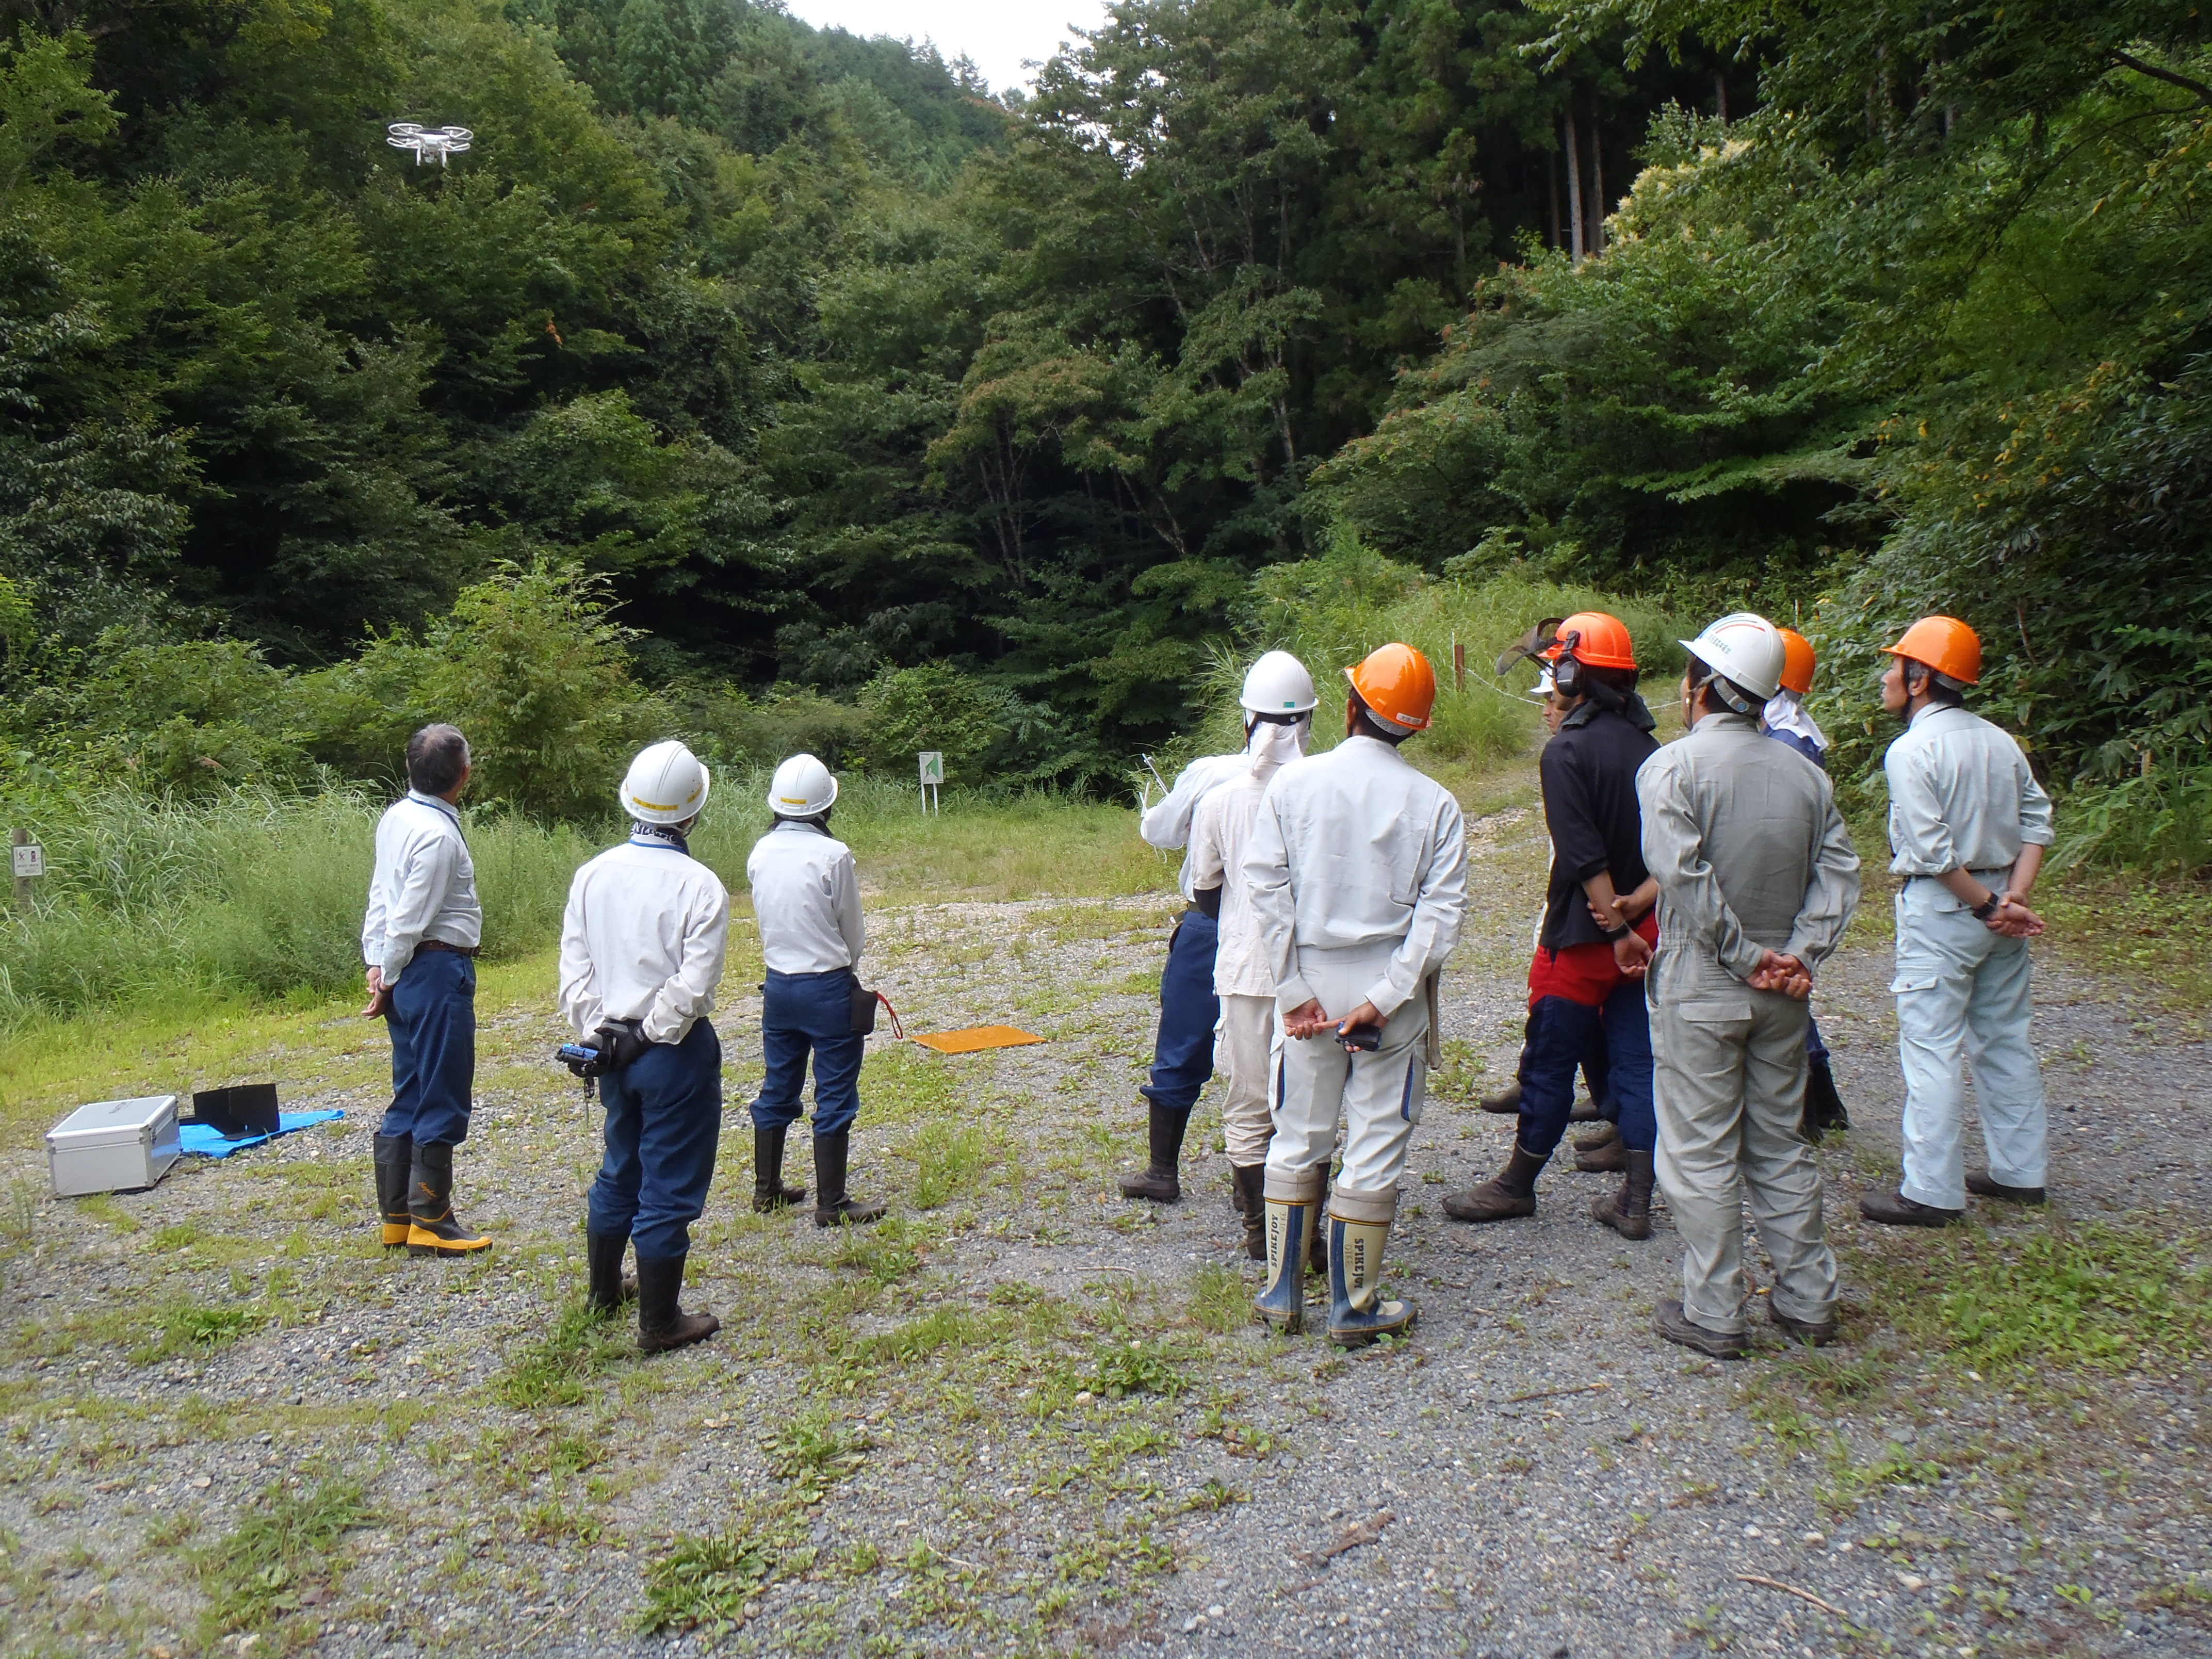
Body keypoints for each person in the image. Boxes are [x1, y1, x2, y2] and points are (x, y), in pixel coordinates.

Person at [1638, 613, 1861, 1359]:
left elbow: (1683, 874)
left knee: (1699, 1149)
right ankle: (1808, 1299)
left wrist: (1740, 954)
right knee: (1780, 1143)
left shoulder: (1671, 769)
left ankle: (1715, 1310)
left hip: (1705, 982)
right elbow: (1840, 874)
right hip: (1784, 993)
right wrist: (1800, 954)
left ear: (1701, 687)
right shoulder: (1807, 775)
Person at [1247, 643, 1468, 1346]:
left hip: (1308, 979)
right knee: (1376, 1141)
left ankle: (1283, 1293)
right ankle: (1355, 1306)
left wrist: (1291, 988)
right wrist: (1391, 992)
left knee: (1298, 1134)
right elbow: (1440, 916)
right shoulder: (1437, 805)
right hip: (1386, 992)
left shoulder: (1292, 786)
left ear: (1350, 708)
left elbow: (1266, 887)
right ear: (1417, 726)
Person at [1443, 612, 1662, 1241]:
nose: (1547, 693)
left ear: (1574, 675)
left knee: (1548, 1061)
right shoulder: (1650, 749)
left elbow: (1580, 850)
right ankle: (1637, 1197)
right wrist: (1634, 915)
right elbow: (1670, 853)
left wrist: (1611, 923)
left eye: (1556, 674)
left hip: (1585, 939)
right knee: (1636, 1063)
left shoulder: (1565, 752)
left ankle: (1516, 1185)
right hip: (1643, 935)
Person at [1860, 616, 2054, 1227]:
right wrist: (2011, 899)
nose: (1887, 676)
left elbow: (1931, 851)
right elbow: (2036, 821)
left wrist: (1988, 906)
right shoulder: (1999, 740)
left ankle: (1930, 1191)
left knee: (1931, 1047)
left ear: (1920, 678)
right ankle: (2020, 1172)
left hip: (1947, 911)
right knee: (2004, 1037)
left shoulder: (1911, 750)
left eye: (1895, 667)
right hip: (1997, 904)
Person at [560, 740, 731, 1352]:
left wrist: (601, 1035)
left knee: (619, 1166)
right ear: (693, 811)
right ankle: (659, 1322)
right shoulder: (703, 886)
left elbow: (575, 972)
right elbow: (693, 984)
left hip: (607, 1049)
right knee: (669, 1180)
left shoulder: (592, 873)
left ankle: (604, 1293)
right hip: (672, 1054)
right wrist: (649, 1035)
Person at [1184, 651, 1318, 1259]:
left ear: (1246, 721)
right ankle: (1305, 1227)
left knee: (1247, 1099)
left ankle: (1258, 1230)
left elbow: (1205, 890)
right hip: (1315, 972)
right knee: (1306, 1102)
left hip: (1243, 968)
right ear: (1310, 724)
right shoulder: (1325, 794)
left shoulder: (1220, 800)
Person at [362, 723, 490, 1259]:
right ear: (464, 774)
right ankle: (431, 1221)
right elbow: (410, 917)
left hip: (407, 968)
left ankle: (398, 1217)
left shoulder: (398, 816)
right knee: (441, 1090)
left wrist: (377, 963)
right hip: (435, 970)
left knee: (411, 1088)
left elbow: (381, 896)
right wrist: (387, 972)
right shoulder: (437, 835)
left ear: (410, 768)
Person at [1117, 723, 1255, 1203]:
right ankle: (1258, 1187)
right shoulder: (1312, 778)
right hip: (1283, 932)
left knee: (1181, 1043)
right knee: (1273, 1053)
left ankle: (1162, 1171)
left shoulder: (1209, 772)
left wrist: (1154, 808)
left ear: (1247, 722)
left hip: (1212, 923)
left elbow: (1160, 831)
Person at [747, 752, 885, 1228]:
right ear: (825, 805)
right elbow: (854, 933)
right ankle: (832, 1202)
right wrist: (847, 970)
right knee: (835, 1092)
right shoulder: (834, 854)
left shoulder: (760, 852)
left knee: (778, 1086)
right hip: (826, 985)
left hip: (778, 987)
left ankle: (768, 1190)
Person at [1763, 627, 1849, 1138]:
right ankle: (1822, 1102)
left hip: (1787, 873)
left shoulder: (1786, 741)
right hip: (1798, 869)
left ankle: (1808, 1108)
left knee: (1786, 987)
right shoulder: (1796, 732)